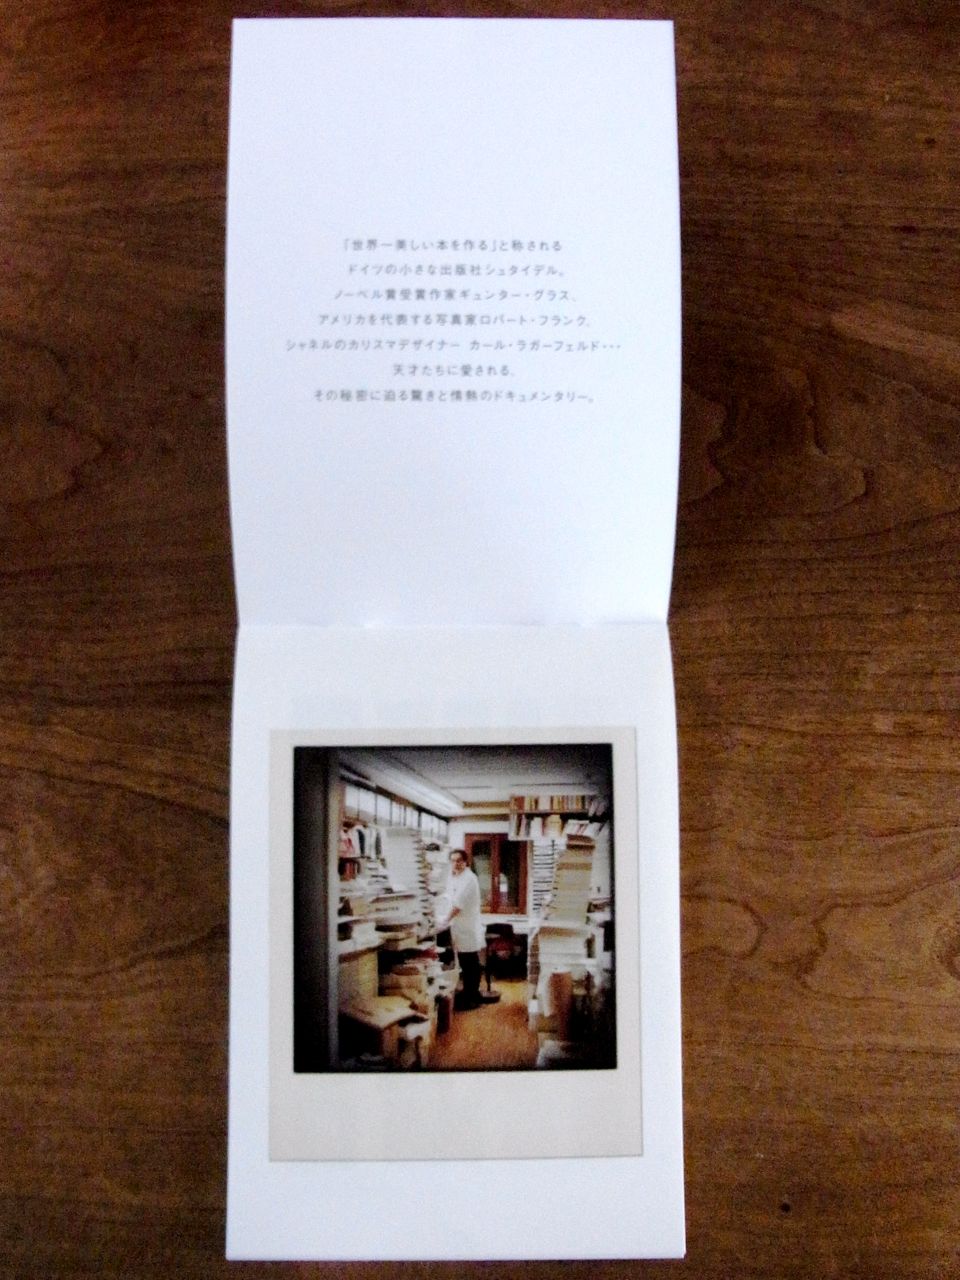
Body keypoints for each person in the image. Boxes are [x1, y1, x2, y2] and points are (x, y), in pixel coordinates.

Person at [438, 849, 486, 1009]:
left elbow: (458, 904)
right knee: (466, 964)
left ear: (466, 862)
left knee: (470, 964)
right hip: (459, 927)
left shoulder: (469, 879)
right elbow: (448, 898)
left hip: (467, 928)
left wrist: (445, 920)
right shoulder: (454, 878)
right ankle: (471, 994)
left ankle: (472, 998)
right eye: (453, 861)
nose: (455, 864)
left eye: (459, 860)